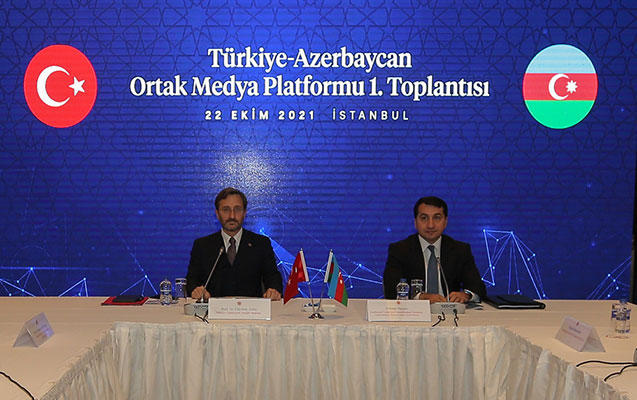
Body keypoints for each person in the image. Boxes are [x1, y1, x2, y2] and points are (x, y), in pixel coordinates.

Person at [383, 196, 486, 303]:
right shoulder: (400, 250)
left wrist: (466, 295)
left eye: (437, 218)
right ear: (415, 222)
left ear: (445, 222)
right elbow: (391, 290)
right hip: (415, 311)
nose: (430, 225)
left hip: (450, 310)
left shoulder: (460, 250)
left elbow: (478, 287)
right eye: (424, 218)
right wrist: (420, 297)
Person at [186, 187, 283, 300]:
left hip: (252, 309)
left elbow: (273, 279)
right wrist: (196, 290)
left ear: (244, 213)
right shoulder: (202, 245)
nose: (232, 216)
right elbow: (191, 281)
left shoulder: (261, 244)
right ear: (217, 214)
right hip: (213, 309)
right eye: (226, 210)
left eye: (237, 209)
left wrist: (273, 290)